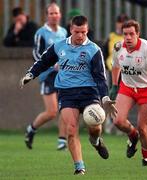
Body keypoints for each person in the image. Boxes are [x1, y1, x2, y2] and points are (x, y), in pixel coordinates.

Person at [20, 15, 117, 175]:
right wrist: (31, 74)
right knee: (71, 130)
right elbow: (44, 61)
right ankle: (79, 167)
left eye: (83, 32)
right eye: (77, 31)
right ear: (71, 29)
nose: (80, 35)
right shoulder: (59, 46)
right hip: (67, 93)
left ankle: (96, 141)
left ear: (87, 31)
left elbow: (100, 77)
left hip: (89, 92)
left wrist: (105, 98)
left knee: (95, 127)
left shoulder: (94, 50)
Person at [109, 20, 147, 166]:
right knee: (118, 121)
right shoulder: (118, 47)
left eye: (131, 34)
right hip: (127, 87)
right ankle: (133, 136)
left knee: (143, 128)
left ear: (138, 34)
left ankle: (146, 157)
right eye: (125, 34)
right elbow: (115, 66)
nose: (128, 37)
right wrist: (115, 85)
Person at [24, 2, 68, 150]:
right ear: (47, 15)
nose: (54, 16)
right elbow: (36, 54)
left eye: (56, 13)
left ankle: (62, 140)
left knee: (66, 108)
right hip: (47, 76)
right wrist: (52, 65)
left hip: (62, 75)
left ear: (60, 14)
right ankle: (31, 129)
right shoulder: (41, 33)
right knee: (51, 112)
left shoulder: (63, 32)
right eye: (51, 13)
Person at [103, 14, 129, 134]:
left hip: (125, 72)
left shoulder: (129, 38)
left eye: (123, 22)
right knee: (110, 98)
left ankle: (120, 124)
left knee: (122, 98)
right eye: (119, 22)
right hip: (111, 71)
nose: (120, 24)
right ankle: (108, 125)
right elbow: (104, 53)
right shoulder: (111, 37)